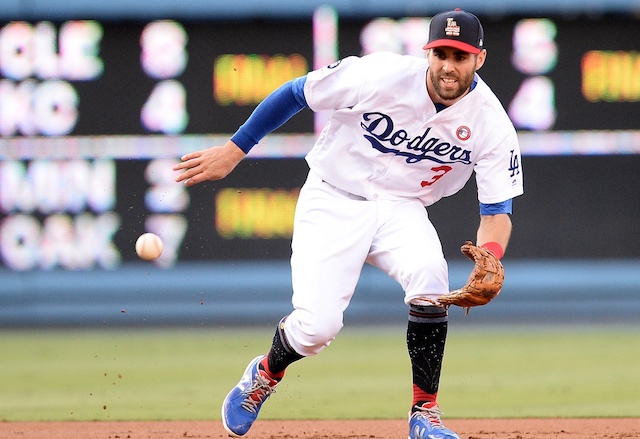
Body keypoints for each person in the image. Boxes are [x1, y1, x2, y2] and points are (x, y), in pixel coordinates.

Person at [174, 8, 523, 439]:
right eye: (441, 53)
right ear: (427, 53)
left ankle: (425, 413)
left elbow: (496, 211)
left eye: (461, 56)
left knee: (432, 279)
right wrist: (236, 148)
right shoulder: (381, 74)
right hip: (333, 195)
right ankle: (263, 376)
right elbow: (298, 92)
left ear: (480, 59)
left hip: (402, 206)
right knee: (316, 329)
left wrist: (489, 257)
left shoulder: (491, 123)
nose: (449, 65)